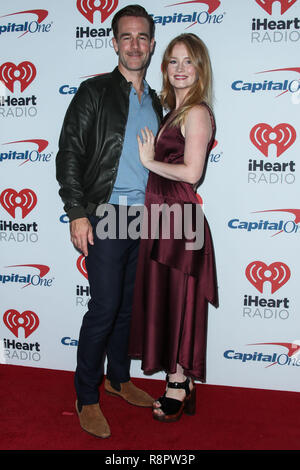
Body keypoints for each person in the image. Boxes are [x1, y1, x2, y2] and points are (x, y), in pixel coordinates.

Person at [56, 5, 162, 438]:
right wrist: (77, 212)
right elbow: (69, 156)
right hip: (104, 214)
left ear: (151, 45)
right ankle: (86, 394)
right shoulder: (94, 92)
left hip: (145, 218)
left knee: (127, 307)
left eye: (142, 38)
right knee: (103, 308)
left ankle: (119, 378)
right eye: (127, 37)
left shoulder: (157, 100)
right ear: (114, 42)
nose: (134, 45)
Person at [129, 33, 218, 422]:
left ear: (199, 69)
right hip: (162, 217)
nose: (180, 69)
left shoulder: (196, 112)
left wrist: (150, 164)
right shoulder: (173, 110)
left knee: (179, 299)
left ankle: (178, 383)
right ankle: (180, 380)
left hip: (179, 219)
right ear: (164, 68)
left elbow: (192, 173)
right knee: (166, 298)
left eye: (188, 61)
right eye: (173, 61)